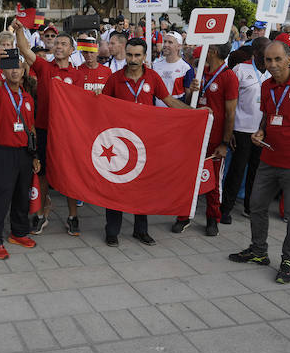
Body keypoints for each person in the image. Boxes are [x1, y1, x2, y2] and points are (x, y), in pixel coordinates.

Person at [228, 40, 290, 284]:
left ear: (288, 59)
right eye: (268, 60)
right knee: (257, 206)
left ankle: (289, 261)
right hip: (269, 158)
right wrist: (261, 132)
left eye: (277, 59)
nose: (272, 65)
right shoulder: (266, 86)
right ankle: (259, 251)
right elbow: (268, 117)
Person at [101, 38, 194, 246]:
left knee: (142, 187)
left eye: (138, 55)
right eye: (130, 55)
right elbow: (101, 107)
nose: (133, 60)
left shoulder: (152, 77)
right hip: (119, 143)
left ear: (145, 56)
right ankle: (112, 231)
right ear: (125, 54)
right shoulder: (115, 79)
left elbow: (169, 101)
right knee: (116, 186)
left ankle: (140, 230)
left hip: (143, 143)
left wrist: (195, 114)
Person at [14, 21, 85, 236]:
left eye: (64, 43)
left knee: (69, 174)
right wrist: (18, 31)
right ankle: (42, 214)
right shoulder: (45, 67)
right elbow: (25, 50)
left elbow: (85, 105)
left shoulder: (79, 75)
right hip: (44, 129)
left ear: (72, 50)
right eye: (57, 43)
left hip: (67, 133)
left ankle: (72, 216)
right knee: (42, 173)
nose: (59, 46)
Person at [171, 42, 238, 236]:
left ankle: (212, 219)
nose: (202, 52)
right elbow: (190, 101)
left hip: (215, 139)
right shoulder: (200, 72)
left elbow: (230, 113)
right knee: (187, 177)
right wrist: (191, 90)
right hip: (193, 136)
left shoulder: (229, 77)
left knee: (213, 182)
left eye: (206, 49)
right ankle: (183, 217)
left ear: (214, 52)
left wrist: (224, 143)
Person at [0, 45, 39, 259]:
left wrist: (35, 155)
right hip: (4, 152)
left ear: (24, 71)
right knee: (0, 196)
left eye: (18, 67)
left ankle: (19, 232)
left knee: (21, 195)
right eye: (10, 68)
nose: (15, 71)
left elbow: (31, 127)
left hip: (24, 153)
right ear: (5, 72)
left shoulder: (27, 98)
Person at [220, 37, 271, 223]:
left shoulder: (272, 72)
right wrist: (230, 130)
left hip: (261, 131)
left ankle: (250, 207)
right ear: (256, 53)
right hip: (241, 129)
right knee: (237, 171)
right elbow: (230, 102)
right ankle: (225, 209)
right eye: (266, 52)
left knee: (256, 173)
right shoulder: (240, 69)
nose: (269, 56)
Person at [152, 32, 194, 107]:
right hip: (157, 113)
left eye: (170, 42)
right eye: (165, 42)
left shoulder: (186, 68)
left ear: (179, 46)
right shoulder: (155, 65)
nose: (165, 45)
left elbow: (188, 98)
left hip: (175, 114)